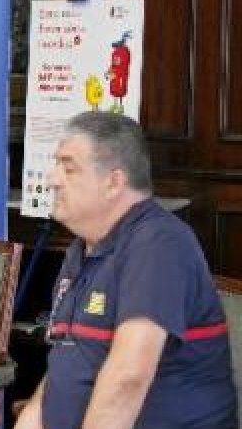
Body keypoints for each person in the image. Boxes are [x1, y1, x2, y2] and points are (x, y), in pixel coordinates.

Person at [17, 112, 235, 429]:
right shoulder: (82, 247)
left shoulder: (159, 242)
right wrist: (32, 418)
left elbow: (128, 377)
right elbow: (69, 358)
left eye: (68, 167)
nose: (52, 179)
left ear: (114, 182)